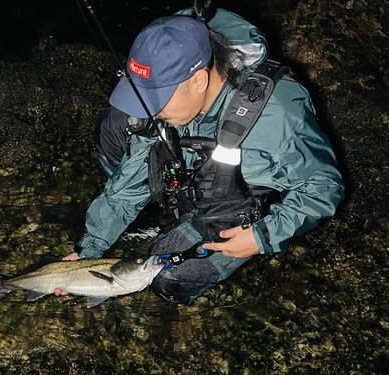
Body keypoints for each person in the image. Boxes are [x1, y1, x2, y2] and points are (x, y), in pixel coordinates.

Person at [56, 0, 345, 304]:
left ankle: (211, 229)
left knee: (168, 280)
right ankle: (154, 215)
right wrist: (89, 251)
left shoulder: (277, 116)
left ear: (199, 81)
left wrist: (263, 236)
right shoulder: (166, 109)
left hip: (239, 200)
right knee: (114, 126)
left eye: (158, 99)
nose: (150, 112)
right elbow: (128, 181)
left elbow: (324, 187)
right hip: (191, 177)